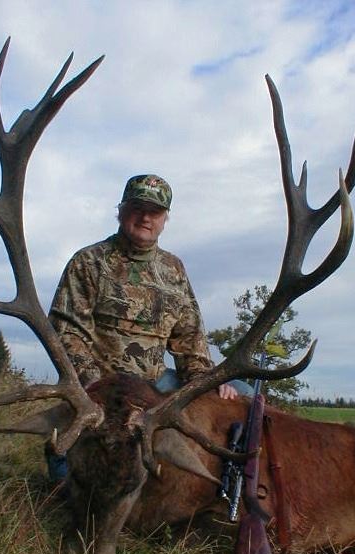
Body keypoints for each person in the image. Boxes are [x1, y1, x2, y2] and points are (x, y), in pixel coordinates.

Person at [46, 174, 244, 483]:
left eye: (155, 211)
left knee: (239, 394)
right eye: (137, 208)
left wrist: (206, 382)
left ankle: (225, 482)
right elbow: (68, 333)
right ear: (121, 211)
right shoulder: (88, 262)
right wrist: (97, 388)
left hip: (155, 385)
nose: (146, 217)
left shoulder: (173, 270)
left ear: (165, 219)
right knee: (69, 483)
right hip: (101, 385)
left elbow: (189, 340)